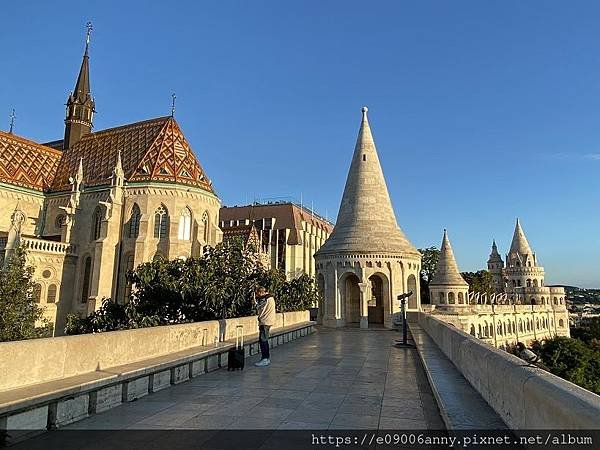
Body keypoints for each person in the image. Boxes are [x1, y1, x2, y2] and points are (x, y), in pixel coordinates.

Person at [253, 286, 276, 367]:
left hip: (265, 322)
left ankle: (265, 358)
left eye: (258, 293)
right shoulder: (270, 298)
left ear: (261, 292)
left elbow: (258, 307)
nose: (257, 295)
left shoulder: (265, 299)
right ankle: (265, 358)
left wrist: (254, 301)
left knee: (263, 340)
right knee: (264, 339)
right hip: (268, 321)